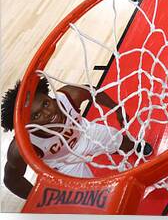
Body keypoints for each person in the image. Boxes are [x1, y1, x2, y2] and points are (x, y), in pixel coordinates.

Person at [1, 77, 152, 200]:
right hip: (63, 164)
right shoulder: (21, 146)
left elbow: (91, 91)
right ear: (26, 125)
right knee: (91, 199)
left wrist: (116, 108)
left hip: (84, 133)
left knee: (120, 140)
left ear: (50, 97)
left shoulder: (69, 96)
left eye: (46, 103)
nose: (47, 113)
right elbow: (11, 180)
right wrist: (38, 198)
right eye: (36, 116)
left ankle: (135, 147)